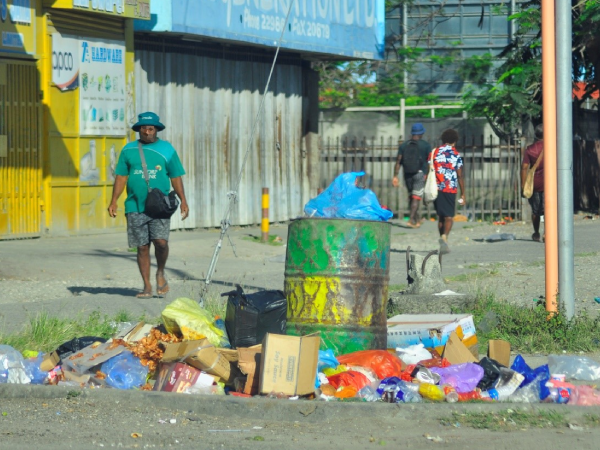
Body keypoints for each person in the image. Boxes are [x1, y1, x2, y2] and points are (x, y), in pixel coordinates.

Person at [108, 112, 189, 298]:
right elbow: (121, 177)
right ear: (139, 130)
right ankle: (146, 286)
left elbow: (176, 176)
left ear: (156, 130)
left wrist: (183, 200)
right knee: (142, 246)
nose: (147, 132)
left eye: (150, 128)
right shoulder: (128, 150)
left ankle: (160, 272)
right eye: (143, 128)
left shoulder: (167, 149)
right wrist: (114, 201)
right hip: (135, 205)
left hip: (159, 206)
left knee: (160, 243)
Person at [429, 128, 465, 254]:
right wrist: (463, 193)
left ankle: (441, 238)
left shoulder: (435, 152)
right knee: (449, 216)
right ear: (455, 141)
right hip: (450, 188)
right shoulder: (456, 155)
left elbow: (429, 169)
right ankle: (445, 237)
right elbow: (460, 175)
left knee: (440, 217)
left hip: (436, 188)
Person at [392, 123, 432, 227]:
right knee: (416, 197)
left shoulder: (404, 145)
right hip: (420, 174)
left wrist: (395, 175)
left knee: (412, 196)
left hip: (407, 173)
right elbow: (430, 162)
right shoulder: (426, 145)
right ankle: (411, 220)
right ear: (422, 133)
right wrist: (427, 174)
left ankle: (416, 220)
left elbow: (398, 161)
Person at [521, 124, 544, 242]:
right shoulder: (554, 147)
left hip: (535, 184)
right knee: (549, 209)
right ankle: (547, 233)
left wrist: (523, 185)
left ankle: (536, 232)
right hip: (550, 183)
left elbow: (524, 168)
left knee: (536, 211)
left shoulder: (530, 149)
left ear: (536, 134)